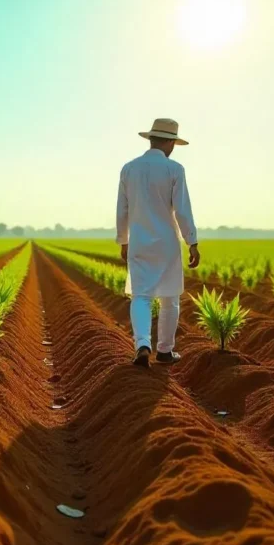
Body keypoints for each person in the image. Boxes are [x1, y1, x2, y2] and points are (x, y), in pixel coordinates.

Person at [115, 118, 200, 367]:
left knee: (141, 296)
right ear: (171, 142)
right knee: (169, 298)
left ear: (151, 139)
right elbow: (183, 210)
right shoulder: (175, 170)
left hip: (139, 242)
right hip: (167, 244)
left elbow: (123, 209)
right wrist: (192, 242)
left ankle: (142, 344)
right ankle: (165, 350)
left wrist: (123, 240)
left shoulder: (129, 168)